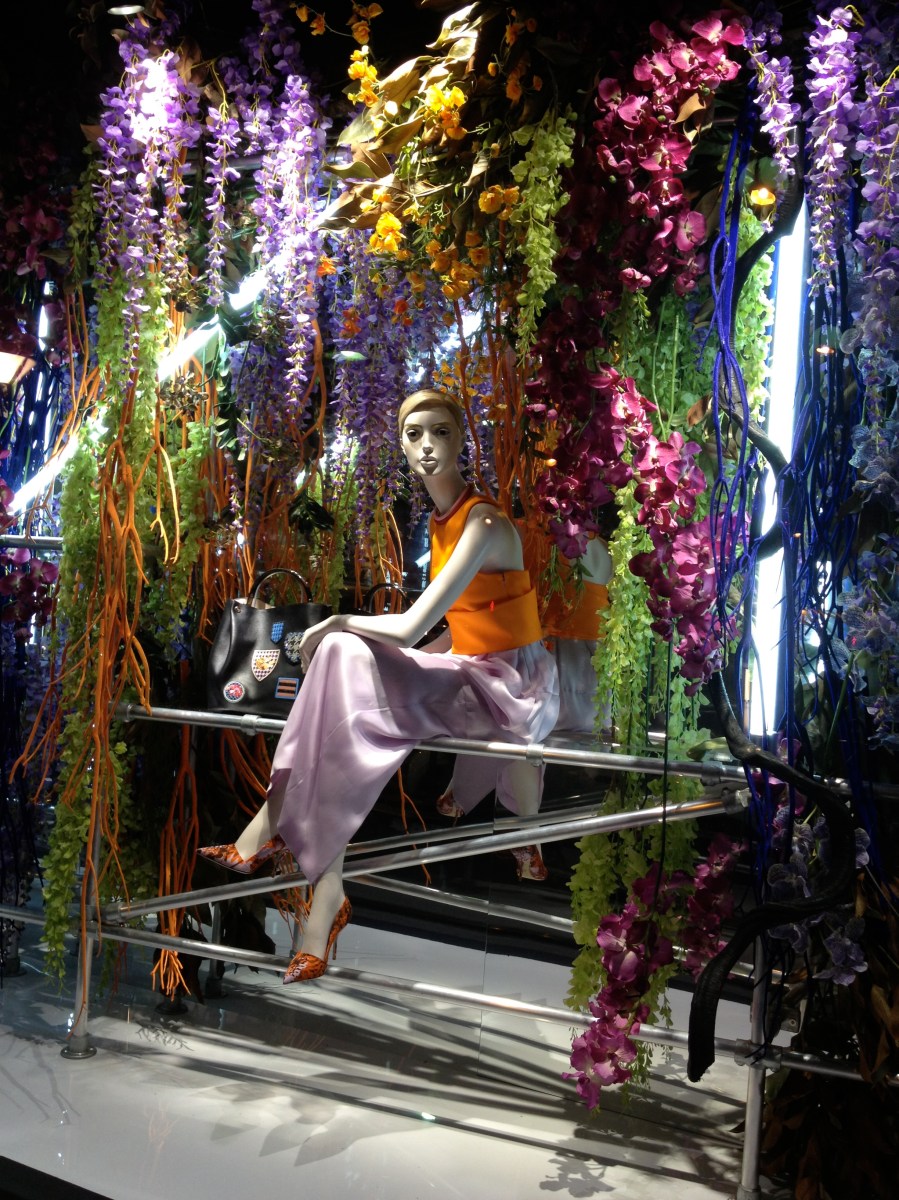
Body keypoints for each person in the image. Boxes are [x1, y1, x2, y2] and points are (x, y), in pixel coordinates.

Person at [199, 389, 560, 982]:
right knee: (341, 668)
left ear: (462, 440)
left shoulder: (483, 522)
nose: (427, 446)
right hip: (470, 668)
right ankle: (324, 893)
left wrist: (337, 621)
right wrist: (362, 645)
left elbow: (415, 627)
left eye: (440, 432)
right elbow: (463, 626)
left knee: (339, 647)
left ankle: (275, 824)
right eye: (414, 435)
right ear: (400, 445)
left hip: (507, 688)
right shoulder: (444, 520)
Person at [436, 533, 612, 879]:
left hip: (544, 661)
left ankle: (492, 807)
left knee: (516, 721)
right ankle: (520, 827)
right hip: (588, 680)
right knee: (520, 728)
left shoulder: (528, 535)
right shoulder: (602, 549)